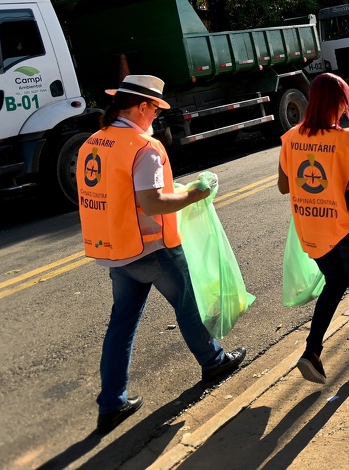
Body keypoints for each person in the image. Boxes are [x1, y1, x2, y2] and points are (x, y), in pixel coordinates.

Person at [77, 74, 246, 437]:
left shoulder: (94, 142)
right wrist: (194, 196)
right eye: (154, 108)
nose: (155, 115)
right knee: (189, 304)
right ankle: (214, 361)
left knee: (121, 325)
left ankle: (111, 403)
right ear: (140, 107)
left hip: (116, 251)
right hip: (151, 248)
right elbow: (151, 202)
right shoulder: (144, 146)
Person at [277, 73, 349, 384]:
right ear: (339, 103)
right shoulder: (347, 141)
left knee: (334, 282)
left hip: (312, 230)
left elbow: (284, 186)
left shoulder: (291, 139)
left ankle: (312, 351)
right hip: (347, 228)